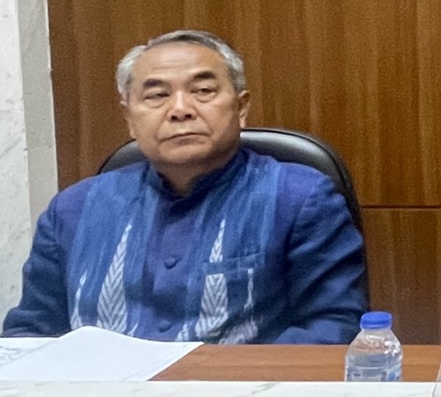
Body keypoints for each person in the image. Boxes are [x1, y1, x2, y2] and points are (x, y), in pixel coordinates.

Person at [3, 30, 368, 344]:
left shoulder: (299, 199)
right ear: (129, 118)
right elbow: (30, 333)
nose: (180, 109)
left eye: (203, 90)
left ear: (241, 108)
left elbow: (334, 326)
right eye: (156, 95)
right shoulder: (73, 209)